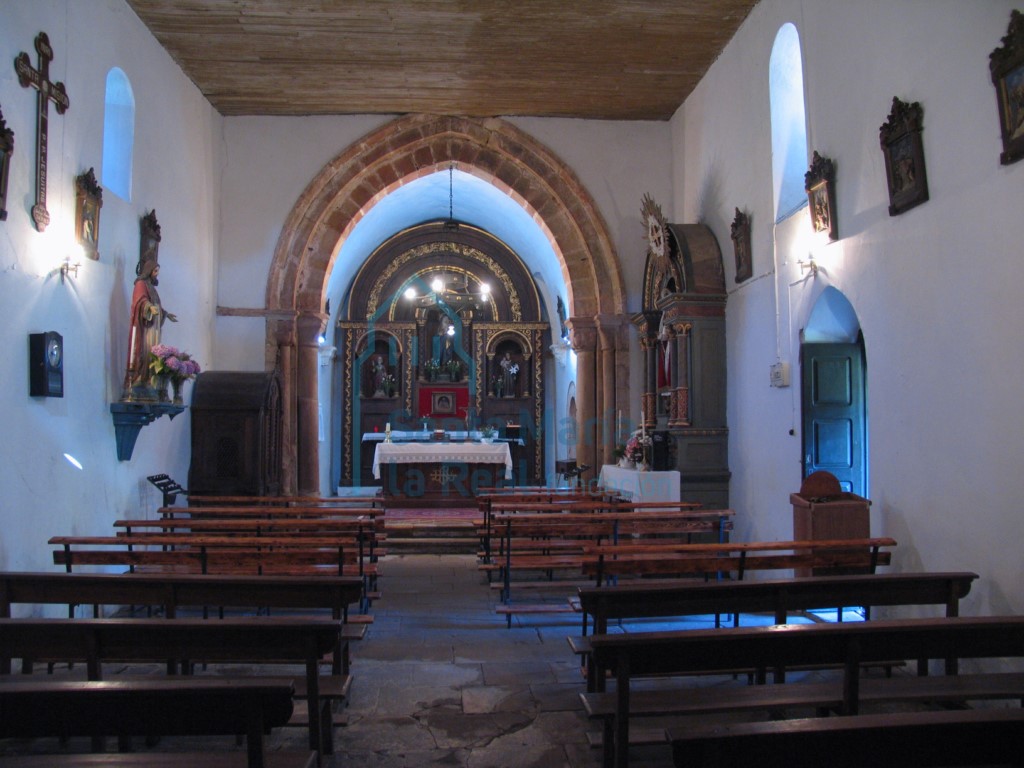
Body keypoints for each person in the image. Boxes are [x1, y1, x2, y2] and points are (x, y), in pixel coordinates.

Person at [124, 256, 176, 397]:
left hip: (154, 327)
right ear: (149, 270)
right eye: (155, 271)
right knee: (144, 351)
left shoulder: (151, 287)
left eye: (157, 271)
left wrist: (166, 314)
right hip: (145, 327)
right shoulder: (140, 284)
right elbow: (140, 301)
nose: (157, 274)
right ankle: (140, 379)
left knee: (152, 353)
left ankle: (148, 380)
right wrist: (148, 307)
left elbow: (156, 304)